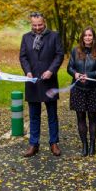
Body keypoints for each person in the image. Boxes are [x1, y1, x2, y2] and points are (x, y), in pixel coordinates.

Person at [20, 12, 64, 157]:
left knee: (52, 114)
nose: (37, 28)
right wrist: (27, 71)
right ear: (31, 24)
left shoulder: (54, 36)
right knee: (34, 115)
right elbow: (23, 57)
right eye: (34, 25)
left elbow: (59, 55)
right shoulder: (26, 38)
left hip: (49, 81)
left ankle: (54, 143)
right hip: (32, 82)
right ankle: (34, 144)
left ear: (44, 22)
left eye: (40, 25)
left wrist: (51, 70)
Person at [67, 27, 96, 157]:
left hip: (92, 88)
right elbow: (69, 67)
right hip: (78, 89)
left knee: (92, 117)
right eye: (85, 35)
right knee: (80, 117)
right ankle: (84, 144)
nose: (88, 38)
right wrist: (76, 74)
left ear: (93, 38)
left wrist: (88, 75)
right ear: (82, 37)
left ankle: (93, 144)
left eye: (90, 35)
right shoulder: (75, 51)